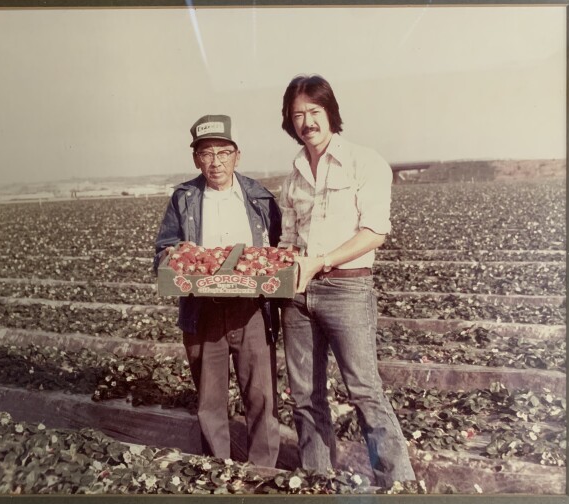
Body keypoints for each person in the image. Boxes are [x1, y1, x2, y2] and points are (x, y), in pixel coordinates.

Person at [277, 75, 416, 487]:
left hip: (347, 289)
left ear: (330, 113)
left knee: (364, 389)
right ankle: (317, 476)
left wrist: (322, 260)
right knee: (305, 395)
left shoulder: (364, 161)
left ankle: (396, 481)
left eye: (314, 112)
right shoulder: (293, 175)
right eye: (297, 114)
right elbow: (287, 239)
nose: (307, 122)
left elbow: (375, 231)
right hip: (298, 293)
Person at [153, 114, 281, 467]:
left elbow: (278, 250)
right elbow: (163, 248)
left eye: (223, 153)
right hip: (203, 310)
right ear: (196, 158)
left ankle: (263, 472)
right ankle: (217, 471)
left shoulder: (260, 197)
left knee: (261, 397)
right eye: (207, 153)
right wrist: (171, 256)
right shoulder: (185, 198)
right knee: (210, 401)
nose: (215, 162)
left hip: (252, 310)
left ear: (237, 155)